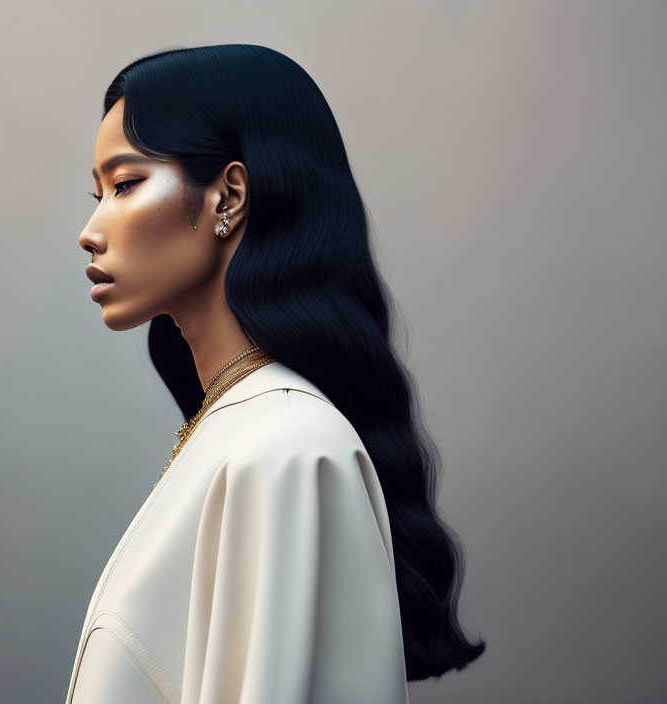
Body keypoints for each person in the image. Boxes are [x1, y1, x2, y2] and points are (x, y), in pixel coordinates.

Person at [67, 44, 485, 704]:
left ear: (228, 195)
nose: (91, 230)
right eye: (97, 193)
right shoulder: (242, 434)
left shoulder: (286, 449)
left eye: (125, 184)